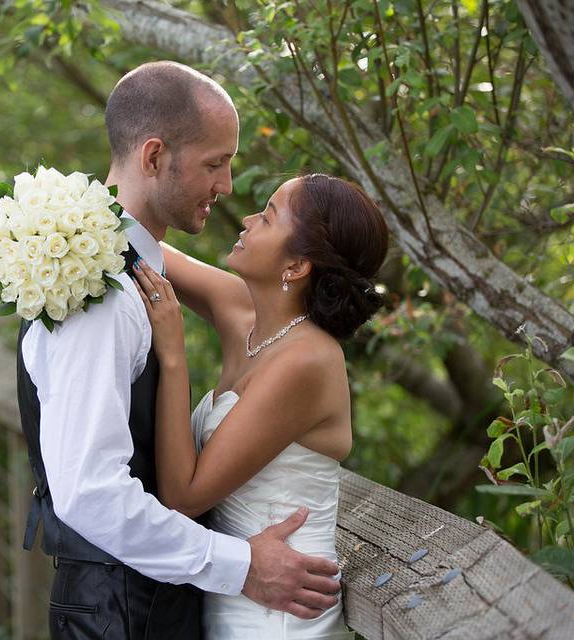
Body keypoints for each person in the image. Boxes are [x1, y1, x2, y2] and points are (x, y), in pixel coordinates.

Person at [15, 61, 341, 640]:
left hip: (149, 601)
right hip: (119, 611)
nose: (228, 187)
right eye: (215, 163)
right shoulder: (102, 295)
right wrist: (240, 566)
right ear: (154, 157)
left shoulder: (120, 264)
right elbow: (89, 493)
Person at [130, 173, 389, 638]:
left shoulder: (308, 360)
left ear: (296, 265)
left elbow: (182, 497)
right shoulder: (244, 313)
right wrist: (59, 210)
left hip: (280, 615)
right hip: (236, 589)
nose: (247, 220)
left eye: (267, 216)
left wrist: (173, 355)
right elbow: (137, 242)